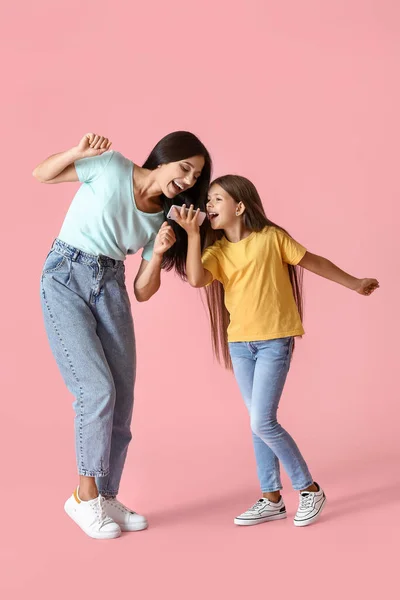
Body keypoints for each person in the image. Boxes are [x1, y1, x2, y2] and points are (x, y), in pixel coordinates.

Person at [33, 131, 212, 538]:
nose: (186, 181)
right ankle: (83, 497)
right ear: (165, 158)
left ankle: (107, 495)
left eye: (195, 177)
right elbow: (42, 174)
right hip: (65, 275)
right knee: (96, 390)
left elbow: (143, 291)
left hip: (111, 285)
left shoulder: (161, 219)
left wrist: (162, 251)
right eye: (185, 168)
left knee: (123, 395)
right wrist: (77, 152)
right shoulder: (111, 165)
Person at [174, 174, 379, 527]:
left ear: (239, 207)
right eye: (207, 201)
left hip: (274, 341)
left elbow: (314, 262)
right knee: (258, 424)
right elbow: (195, 279)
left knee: (261, 421)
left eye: (216, 199)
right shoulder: (217, 251)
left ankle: (309, 488)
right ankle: (271, 497)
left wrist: (355, 283)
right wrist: (192, 235)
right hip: (240, 345)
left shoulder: (272, 239)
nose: (208, 206)